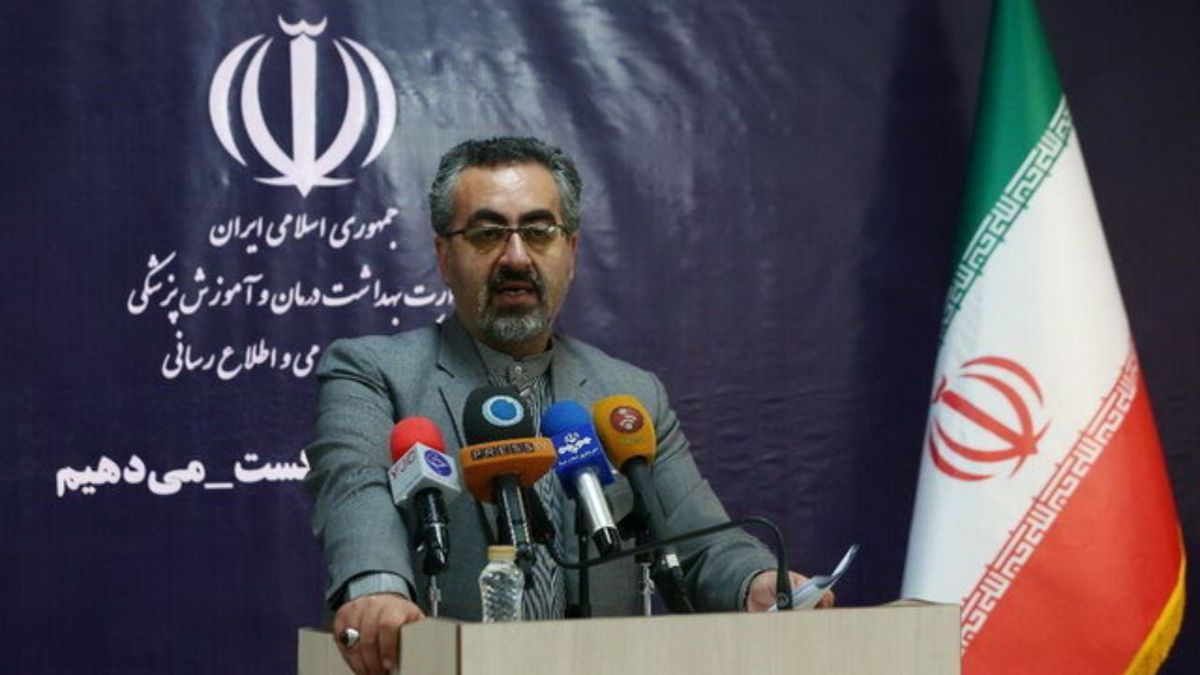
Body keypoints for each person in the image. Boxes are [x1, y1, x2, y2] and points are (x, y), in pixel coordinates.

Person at [305, 136, 832, 675]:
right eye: (487, 234)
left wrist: (757, 582)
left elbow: (697, 539)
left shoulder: (629, 394)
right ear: (444, 256)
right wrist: (377, 589)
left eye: (539, 232)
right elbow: (355, 488)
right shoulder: (373, 372)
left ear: (572, 251)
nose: (516, 257)